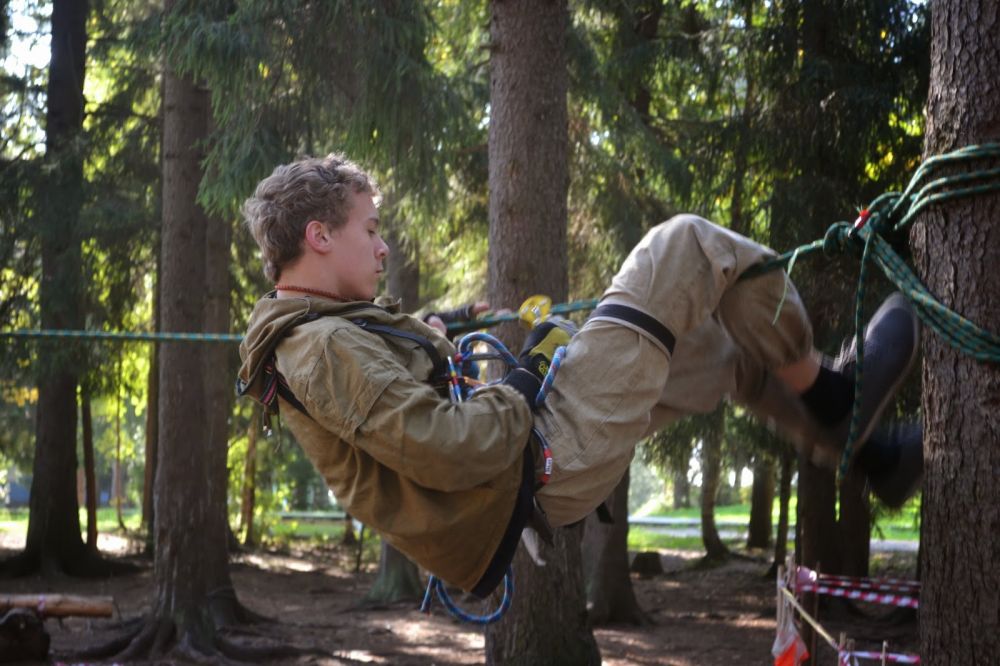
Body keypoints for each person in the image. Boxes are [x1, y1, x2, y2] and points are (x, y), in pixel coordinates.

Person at [236, 153, 923, 597]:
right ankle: (836, 395)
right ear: (319, 236)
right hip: (538, 457)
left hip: (530, 465)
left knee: (719, 347)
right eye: (369, 229)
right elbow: (451, 446)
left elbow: (399, 408)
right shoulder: (321, 347)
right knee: (685, 245)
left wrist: (433, 335)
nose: (383, 246)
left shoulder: (324, 331)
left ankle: (873, 456)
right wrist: (530, 370)